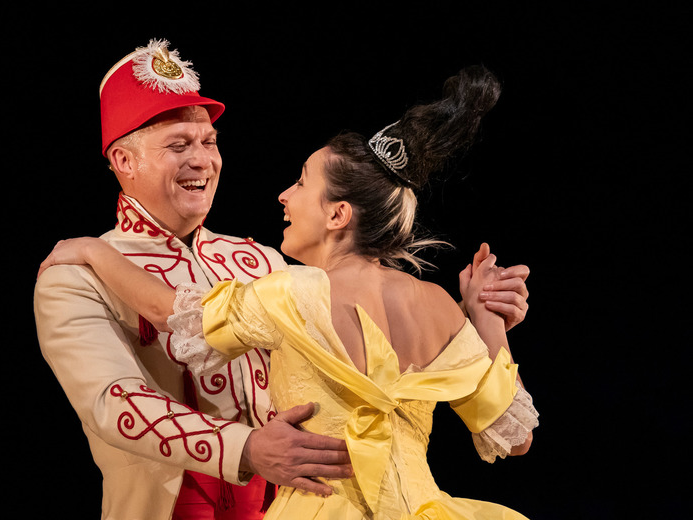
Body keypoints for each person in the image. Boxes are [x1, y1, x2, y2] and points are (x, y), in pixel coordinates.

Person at [34, 39, 532, 520]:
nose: (202, 159)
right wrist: (479, 320)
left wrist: (93, 250)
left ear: (338, 214)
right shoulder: (74, 279)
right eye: (179, 144)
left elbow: (181, 314)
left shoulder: (268, 266)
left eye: (209, 142)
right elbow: (113, 403)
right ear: (124, 161)